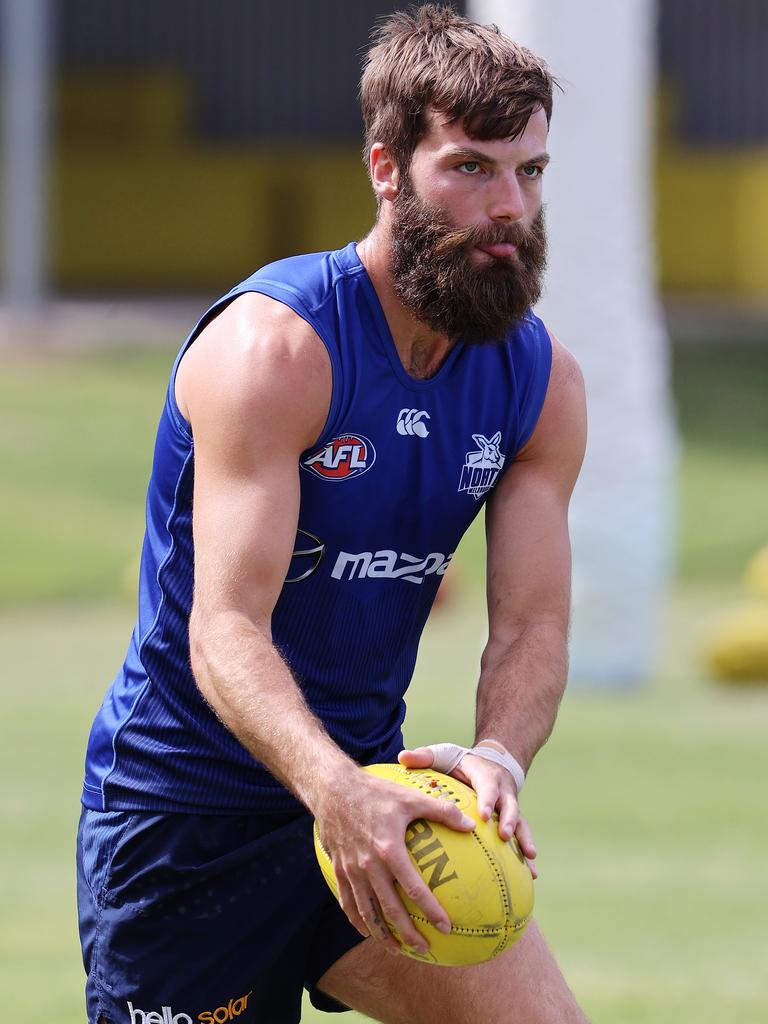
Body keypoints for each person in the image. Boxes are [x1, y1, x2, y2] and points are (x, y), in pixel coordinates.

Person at [76, 6, 588, 1023]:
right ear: (387, 169)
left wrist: (498, 756)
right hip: (191, 820)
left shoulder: (540, 381)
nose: (509, 209)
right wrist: (331, 788)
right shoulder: (278, 351)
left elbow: (532, 624)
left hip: (377, 805)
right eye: (472, 169)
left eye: (529, 172)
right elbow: (224, 629)